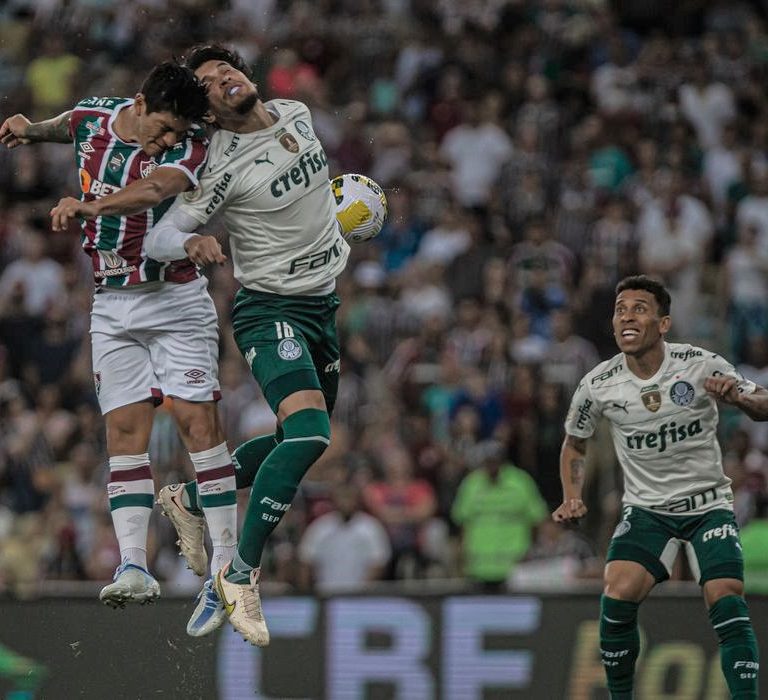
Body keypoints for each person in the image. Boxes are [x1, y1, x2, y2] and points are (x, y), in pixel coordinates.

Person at [0, 63, 239, 629]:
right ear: (137, 103)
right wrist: (31, 127)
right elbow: (72, 123)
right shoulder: (98, 117)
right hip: (111, 302)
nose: (166, 141)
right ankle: (133, 565)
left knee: (196, 423)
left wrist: (91, 206)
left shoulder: (189, 147)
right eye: (159, 130)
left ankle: (227, 566)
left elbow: (156, 189)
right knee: (124, 433)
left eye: (174, 134)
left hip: (175, 298)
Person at [143, 44, 351, 646]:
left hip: (322, 307)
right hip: (269, 311)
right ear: (205, 111)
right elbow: (161, 237)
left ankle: (185, 496)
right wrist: (188, 245)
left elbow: (310, 200)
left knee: (299, 440)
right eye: (206, 82)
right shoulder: (217, 168)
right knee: (311, 434)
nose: (222, 78)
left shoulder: (295, 112)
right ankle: (237, 574)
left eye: (224, 68)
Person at [553, 274, 765, 699]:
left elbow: (763, 403)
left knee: (725, 594)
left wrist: (738, 399)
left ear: (663, 323)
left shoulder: (701, 363)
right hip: (647, 509)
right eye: (620, 310)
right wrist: (572, 496)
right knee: (617, 592)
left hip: (707, 504)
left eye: (639, 309)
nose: (626, 317)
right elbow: (575, 444)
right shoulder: (598, 383)